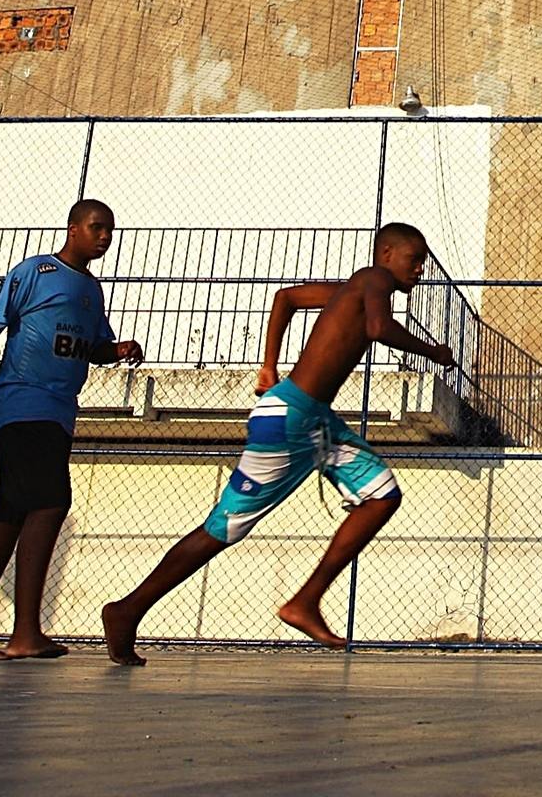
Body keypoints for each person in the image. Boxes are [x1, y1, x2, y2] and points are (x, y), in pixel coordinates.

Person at [100, 222, 457, 665]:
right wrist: (434, 352)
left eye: (423, 261)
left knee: (381, 495)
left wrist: (269, 366)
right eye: (414, 259)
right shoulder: (375, 280)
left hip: (315, 422)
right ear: (387, 254)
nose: (420, 269)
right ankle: (127, 609)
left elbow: (285, 298)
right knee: (222, 529)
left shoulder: (354, 287)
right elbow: (379, 326)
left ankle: (305, 601)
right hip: (291, 420)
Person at [0, 198, 141, 661]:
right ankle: (25, 632)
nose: (104, 236)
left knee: (12, 510)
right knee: (51, 501)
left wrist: (118, 350)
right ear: (72, 228)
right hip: (22, 399)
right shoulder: (34, 272)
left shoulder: (92, 291)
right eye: (96, 227)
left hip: (58, 408)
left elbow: (92, 347)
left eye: (110, 230)